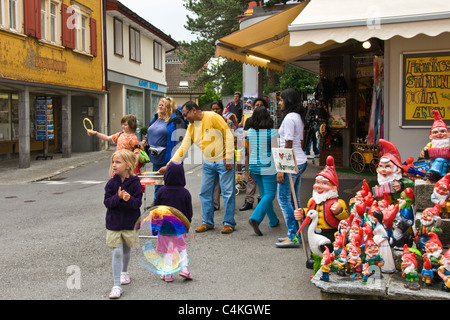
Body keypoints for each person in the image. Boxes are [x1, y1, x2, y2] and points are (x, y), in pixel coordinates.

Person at [158, 101, 236, 234]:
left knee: (228, 193)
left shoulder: (212, 117)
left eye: (185, 114)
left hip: (223, 160)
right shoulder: (191, 126)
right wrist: (169, 165)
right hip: (208, 162)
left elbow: (228, 135)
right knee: (205, 192)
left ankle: (229, 223)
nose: (184, 117)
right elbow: (183, 147)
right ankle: (207, 222)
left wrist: (229, 158)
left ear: (193, 110)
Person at [104, 149, 143, 299]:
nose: (114, 165)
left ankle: (124, 272)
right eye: (113, 162)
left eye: (118, 162)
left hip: (130, 223)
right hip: (113, 224)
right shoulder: (111, 183)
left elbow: (137, 203)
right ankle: (116, 285)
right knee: (117, 251)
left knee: (126, 250)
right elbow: (107, 202)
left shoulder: (135, 182)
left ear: (128, 165)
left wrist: (128, 199)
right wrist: (117, 197)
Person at [276, 88, 308, 248]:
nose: (279, 102)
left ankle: (293, 236)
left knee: (283, 199)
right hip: (300, 160)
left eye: (281, 100)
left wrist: (281, 169)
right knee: (295, 200)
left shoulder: (289, 118)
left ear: (288, 101)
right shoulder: (298, 117)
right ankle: (298, 234)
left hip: (290, 163)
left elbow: (288, 144)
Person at [154, 161, 193, 281]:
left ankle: (167, 273)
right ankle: (184, 269)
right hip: (180, 227)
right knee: (181, 248)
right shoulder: (185, 193)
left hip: (165, 228)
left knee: (167, 251)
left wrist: (156, 226)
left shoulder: (161, 191)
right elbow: (189, 212)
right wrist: (187, 225)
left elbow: (156, 210)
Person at [142, 97, 186, 200]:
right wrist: (146, 139)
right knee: (158, 182)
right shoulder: (157, 117)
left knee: (170, 183)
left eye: (163, 104)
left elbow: (181, 141)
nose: (160, 106)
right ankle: (157, 202)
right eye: (159, 104)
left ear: (169, 106)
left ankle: (170, 204)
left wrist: (177, 159)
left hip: (169, 157)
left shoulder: (177, 121)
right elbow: (151, 130)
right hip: (156, 157)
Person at [246, 106, 279, 236]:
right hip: (268, 166)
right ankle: (255, 218)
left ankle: (273, 220)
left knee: (265, 194)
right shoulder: (272, 133)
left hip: (254, 166)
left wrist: (248, 168)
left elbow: (249, 151)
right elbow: (275, 152)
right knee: (270, 194)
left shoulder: (250, 132)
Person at [240, 98, 268, 211]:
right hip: (251, 153)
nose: (258, 107)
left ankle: (261, 200)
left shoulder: (268, 121)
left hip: (264, 154)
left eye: (261, 105)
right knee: (251, 177)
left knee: (262, 177)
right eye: (256, 105)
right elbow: (244, 136)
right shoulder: (249, 121)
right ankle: (249, 201)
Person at [210, 100, 236, 211]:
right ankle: (215, 204)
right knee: (214, 182)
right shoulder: (209, 122)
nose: (215, 111)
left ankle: (229, 207)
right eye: (213, 109)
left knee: (227, 183)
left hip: (226, 155)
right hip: (212, 154)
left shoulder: (228, 122)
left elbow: (233, 138)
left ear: (222, 109)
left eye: (217, 109)